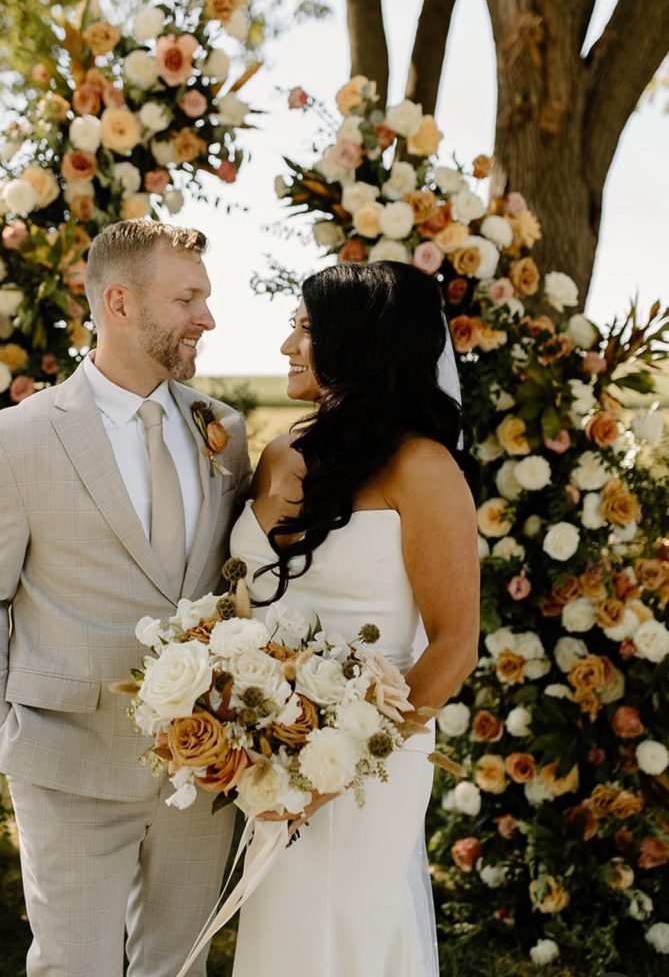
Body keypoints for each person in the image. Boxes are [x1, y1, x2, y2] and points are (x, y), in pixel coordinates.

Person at [0, 219, 252, 977]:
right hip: (64, 760)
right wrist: (1, 732)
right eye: (187, 299)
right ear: (119, 301)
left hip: (199, 769)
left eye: (204, 298)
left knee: (179, 964)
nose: (206, 317)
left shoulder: (224, 431)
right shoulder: (16, 440)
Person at [230, 260, 480, 977]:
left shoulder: (422, 469)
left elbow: (454, 644)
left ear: (357, 341)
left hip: (368, 767)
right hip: (266, 754)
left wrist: (333, 769)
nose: (285, 347)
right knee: (281, 938)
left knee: (345, 935)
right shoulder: (279, 454)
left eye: (304, 329)